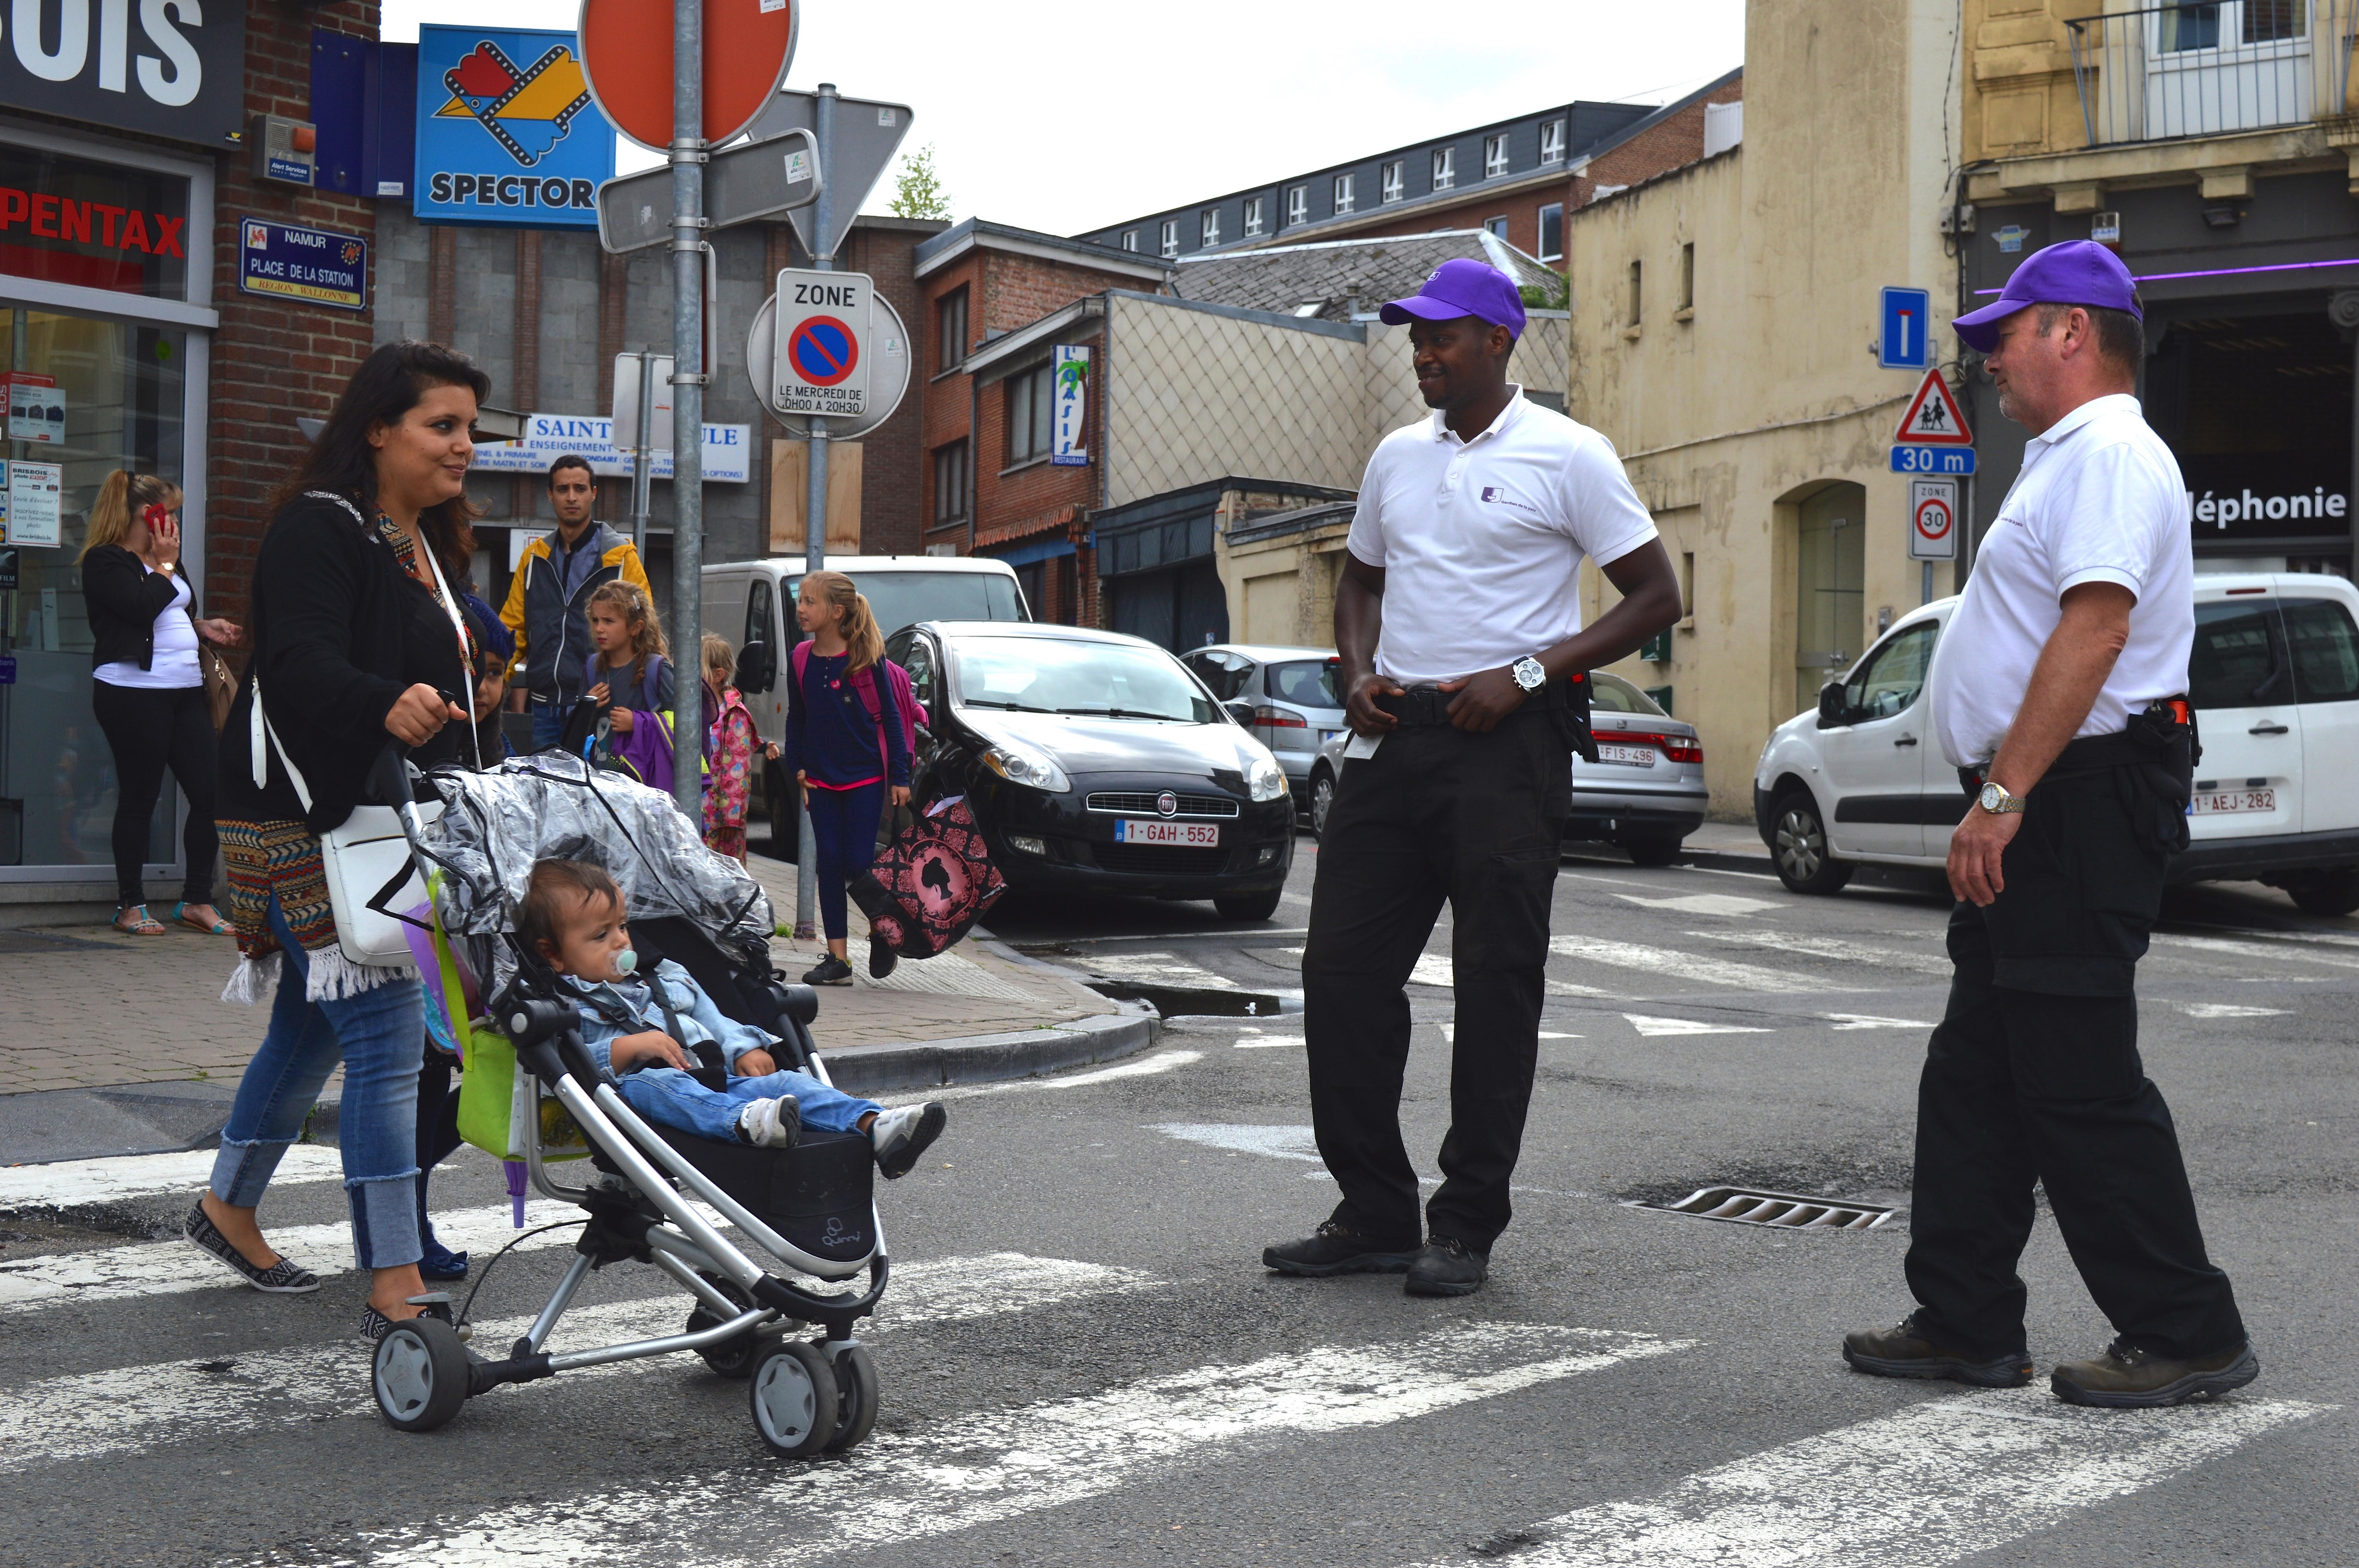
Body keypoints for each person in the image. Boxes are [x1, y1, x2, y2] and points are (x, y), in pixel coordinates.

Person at [1843, 241, 2255, 1409]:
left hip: (2076, 794)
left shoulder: (2110, 452)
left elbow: (2094, 630)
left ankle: (2187, 1326)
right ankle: (1966, 1318)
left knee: (2076, 1074)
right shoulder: (2066, 457)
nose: (1985, 358)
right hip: (2056, 791)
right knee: (1976, 1069)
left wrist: (2001, 793)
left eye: (2002, 335)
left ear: (2072, 332)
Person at [1265, 259, 1681, 1298]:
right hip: (1395, 743)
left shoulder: (1569, 455)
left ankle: (1465, 1225)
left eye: (1443, 335)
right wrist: (1357, 673)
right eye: (1415, 337)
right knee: (1342, 977)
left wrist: (1532, 672)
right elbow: (1360, 579)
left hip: (1507, 744)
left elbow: (1655, 594)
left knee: (1498, 989)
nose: (1423, 352)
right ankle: (1372, 1211)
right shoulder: (1396, 459)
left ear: (1501, 340)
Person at [193, 340, 486, 1342]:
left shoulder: (418, 545)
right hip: (302, 811)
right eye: (442, 426)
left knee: (315, 1024)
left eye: (469, 431)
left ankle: (228, 1205)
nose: (463, 447)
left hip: (365, 812)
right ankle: (394, 1276)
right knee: (384, 1030)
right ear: (377, 429)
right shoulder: (321, 529)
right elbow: (300, 659)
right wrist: (386, 701)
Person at [524, 859, 946, 1172]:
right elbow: (567, 1064)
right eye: (601, 935)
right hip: (640, 1098)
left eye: (622, 926)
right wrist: (626, 1048)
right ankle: (746, 1123)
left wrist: (743, 1046)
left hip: (719, 1078)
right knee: (652, 1083)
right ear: (554, 954)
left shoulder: (665, 976)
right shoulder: (563, 1005)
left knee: (785, 1080)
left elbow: (713, 1019)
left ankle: (874, 1125)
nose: (620, 941)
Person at [78, 470, 243, 936]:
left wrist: (203, 627)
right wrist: (166, 567)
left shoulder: (165, 559)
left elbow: (173, 614)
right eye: (166, 512)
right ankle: (130, 905)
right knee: (140, 797)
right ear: (143, 515)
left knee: (210, 793)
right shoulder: (105, 561)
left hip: (186, 691)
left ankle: (195, 900)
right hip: (131, 694)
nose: (173, 522)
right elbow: (138, 608)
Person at [782, 571, 911, 987]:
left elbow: (891, 720)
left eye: (809, 602)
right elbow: (798, 717)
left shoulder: (864, 657)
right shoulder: (801, 656)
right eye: (800, 601)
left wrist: (900, 776)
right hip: (820, 779)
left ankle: (882, 930)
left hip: (865, 776)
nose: (801, 609)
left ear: (836, 612)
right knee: (830, 863)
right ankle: (838, 961)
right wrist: (797, 767)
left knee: (859, 861)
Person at [500, 454, 652, 750]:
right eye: (562, 489)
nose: (572, 497)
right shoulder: (534, 558)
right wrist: (493, 681)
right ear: (550, 495)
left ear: (593, 494)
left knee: (592, 794)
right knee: (547, 790)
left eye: (580, 489)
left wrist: (630, 693)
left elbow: (646, 632)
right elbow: (512, 630)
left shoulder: (621, 558)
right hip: (544, 707)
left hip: (600, 707)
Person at [582, 579, 677, 788]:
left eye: (609, 621)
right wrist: (588, 708)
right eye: (595, 620)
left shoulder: (656, 669)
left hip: (646, 786)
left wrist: (639, 722)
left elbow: (687, 725)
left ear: (636, 628)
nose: (599, 628)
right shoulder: (592, 667)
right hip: (601, 783)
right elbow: (577, 731)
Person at [701, 632, 758, 864]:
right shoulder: (691, 707)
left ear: (718, 675)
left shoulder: (733, 715)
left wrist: (731, 818)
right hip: (697, 813)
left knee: (724, 877)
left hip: (720, 821)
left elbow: (738, 768)